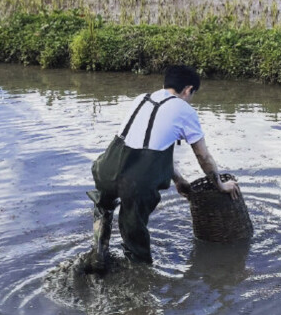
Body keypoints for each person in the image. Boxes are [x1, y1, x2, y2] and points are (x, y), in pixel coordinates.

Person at [85, 64, 239, 273]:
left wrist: (178, 179)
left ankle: (98, 252)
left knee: (104, 206)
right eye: (192, 94)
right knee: (134, 234)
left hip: (106, 168)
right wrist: (220, 185)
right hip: (137, 181)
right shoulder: (185, 110)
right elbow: (203, 157)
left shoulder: (142, 99)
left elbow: (147, 146)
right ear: (188, 90)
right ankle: (138, 280)